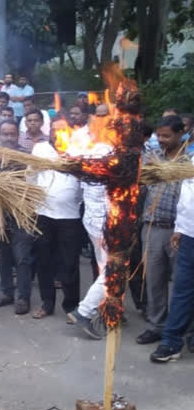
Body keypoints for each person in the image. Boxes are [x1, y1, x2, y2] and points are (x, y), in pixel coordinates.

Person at [137, 115, 189, 345]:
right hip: (152, 228)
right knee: (154, 281)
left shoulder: (189, 161)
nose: (162, 140)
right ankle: (156, 325)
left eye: (167, 136)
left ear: (180, 134)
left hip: (180, 230)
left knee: (183, 283)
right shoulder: (152, 156)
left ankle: (185, 330)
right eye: (159, 135)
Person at [30, 119, 83, 319]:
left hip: (70, 217)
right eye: (54, 130)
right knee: (45, 261)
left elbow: (84, 185)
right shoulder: (41, 149)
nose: (57, 133)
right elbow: (31, 176)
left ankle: (71, 306)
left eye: (62, 129)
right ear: (49, 132)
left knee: (70, 262)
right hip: (43, 214)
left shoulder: (79, 151)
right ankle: (47, 303)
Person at [150, 157, 194, 362]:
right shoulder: (192, 160)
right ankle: (171, 342)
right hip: (189, 237)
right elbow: (186, 200)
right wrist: (179, 228)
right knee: (182, 290)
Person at [67, 141, 112, 340]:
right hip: (106, 225)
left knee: (104, 268)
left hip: (93, 223)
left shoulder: (89, 171)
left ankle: (105, 310)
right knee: (111, 273)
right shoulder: (107, 172)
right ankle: (84, 312)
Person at [0, 120, 34, 315]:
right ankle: (7, 292)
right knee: (2, 256)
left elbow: (34, 184)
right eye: (4, 134)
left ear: (18, 135)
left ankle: (23, 297)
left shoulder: (26, 156)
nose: (8, 138)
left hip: (21, 213)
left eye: (12, 134)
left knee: (22, 257)